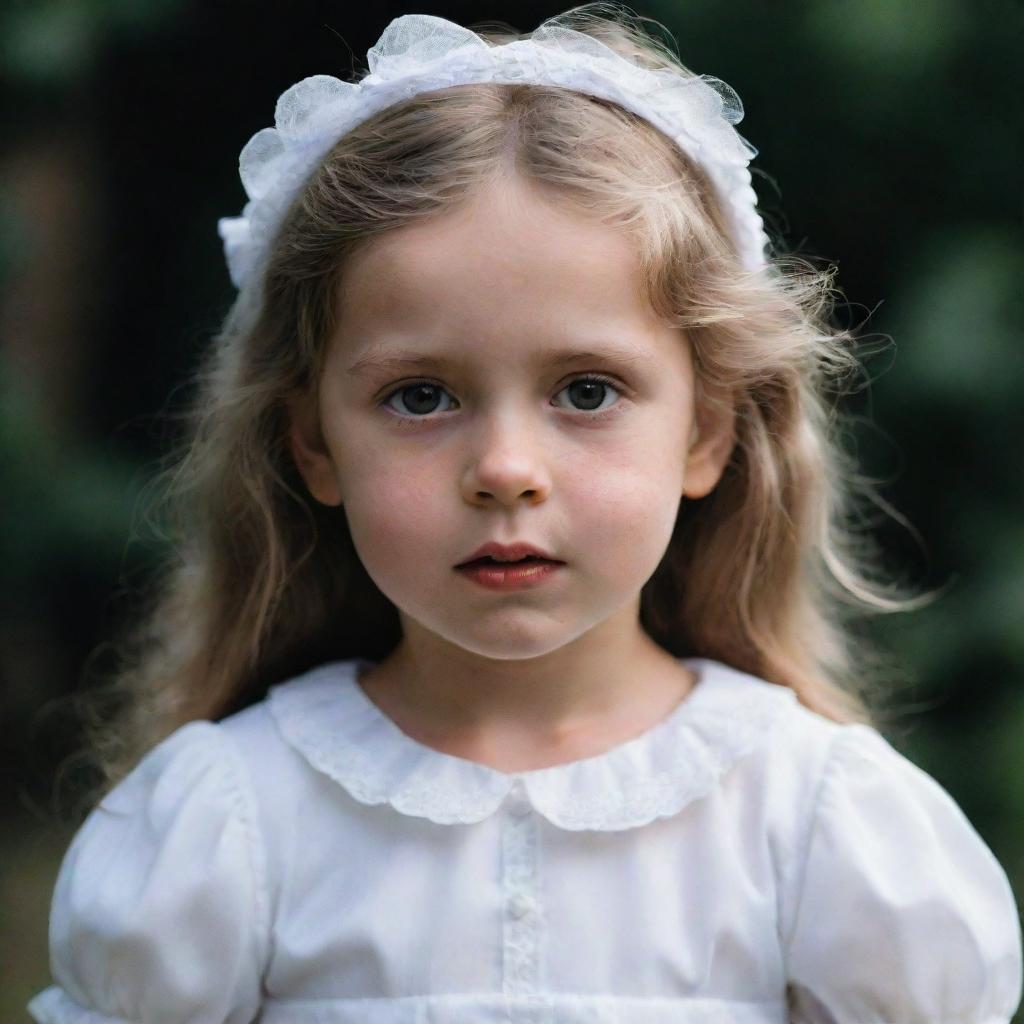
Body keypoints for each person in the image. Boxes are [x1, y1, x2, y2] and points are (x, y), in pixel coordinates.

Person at [27, 6, 1022, 1022]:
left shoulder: (817, 825)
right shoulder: (228, 825)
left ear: (706, 433)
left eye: (586, 391)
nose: (505, 470)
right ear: (313, 444)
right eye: (421, 396)